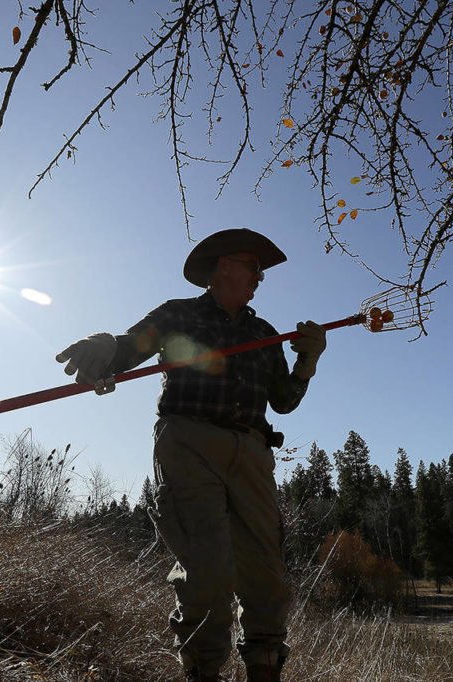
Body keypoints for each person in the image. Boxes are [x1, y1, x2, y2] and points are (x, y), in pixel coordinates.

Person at [56, 228, 327, 682]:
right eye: (254, 267)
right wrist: (105, 348)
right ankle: (203, 672)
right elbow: (130, 347)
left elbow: (284, 401)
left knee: (267, 579)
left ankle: (265, 670)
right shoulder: (178, 314)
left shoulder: (263, 333)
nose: (260, 278)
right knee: (207, 576)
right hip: (188, 444)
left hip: (254, 454)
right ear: (223, 266)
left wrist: (308, 362)